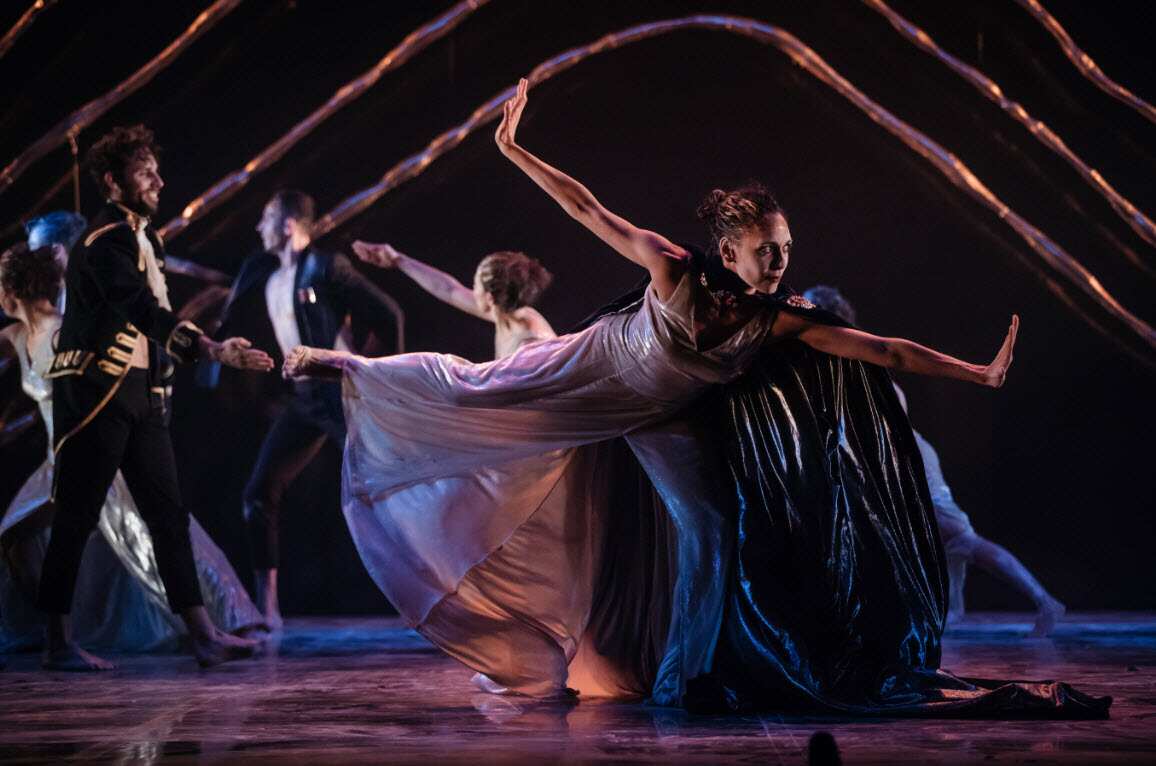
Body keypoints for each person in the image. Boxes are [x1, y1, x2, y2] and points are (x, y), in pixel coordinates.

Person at [282, 80, 1031, 709]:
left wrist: (978, 373)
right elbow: (586, 209)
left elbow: (885, 350)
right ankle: (347, 368)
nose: (779, 260)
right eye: (766, 248)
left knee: (713, 527)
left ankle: (684, 680)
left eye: (786, 250)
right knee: (480, 387)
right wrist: (515, 150)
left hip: (658, 415)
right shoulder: (675, 269)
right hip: (587, 374)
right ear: (730, 247)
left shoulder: (779, 320)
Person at [39, 124, 274, 670]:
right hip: (96, 395)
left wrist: (177, 371)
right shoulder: (102, 241)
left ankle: (202, 634)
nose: (159, 182)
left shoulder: (147, 238)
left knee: (168, 515)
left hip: (142, 396)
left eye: (155, 171)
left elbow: (156, 320)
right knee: (75, 518)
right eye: (145, 173)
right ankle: (57, 643)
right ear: (110, 181)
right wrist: (213, 350)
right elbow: (140, 310)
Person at [1, 242, 266, 656]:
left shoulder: (65, 329)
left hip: (94, 449)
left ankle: (208, 627)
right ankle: (49, 632)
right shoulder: (16, 335)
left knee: (149, 534)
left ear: (10, 289)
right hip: (58, 460)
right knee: (16, 537)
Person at [802, 284, 1066, 636]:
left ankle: (1044, 600)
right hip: (893, 460)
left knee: (960, 539)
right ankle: (954, 614)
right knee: (949, 545)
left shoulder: (853, 365)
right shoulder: (838, 366)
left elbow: (879, 426)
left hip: (904, 460)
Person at [204, 190, 405, 628]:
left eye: (266, 218)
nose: (259, 228)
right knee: (259, 493)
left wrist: (365, 374)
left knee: (387, 495)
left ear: (290, 224)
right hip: (303, 400)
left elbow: (389, 315)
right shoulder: (268, 275)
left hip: (339, 393)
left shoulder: (327, 267)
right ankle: (269, 610)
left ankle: (433, 594)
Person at [351, 242, 554, 360]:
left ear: (490, 298)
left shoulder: (529, 342)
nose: (471, 291)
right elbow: (449, 290)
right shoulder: (506, 315)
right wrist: (398, 260)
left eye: (475, 286)